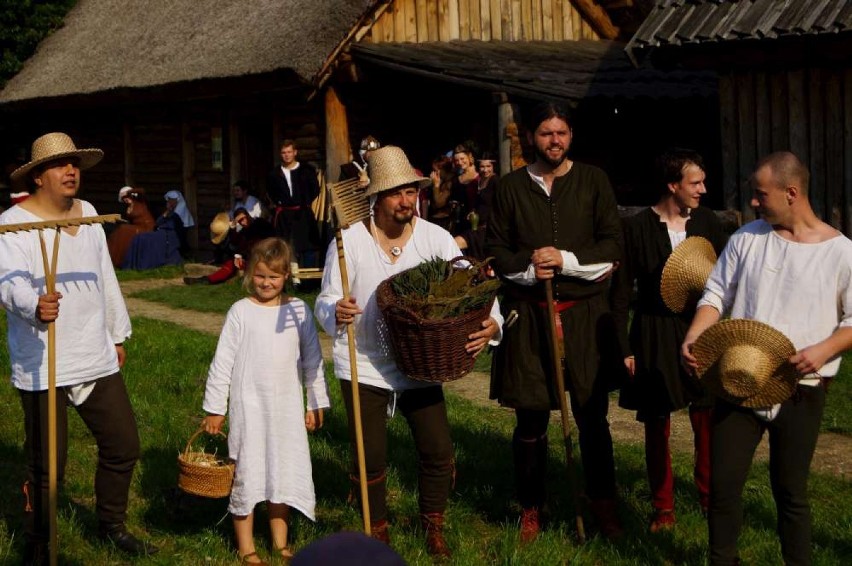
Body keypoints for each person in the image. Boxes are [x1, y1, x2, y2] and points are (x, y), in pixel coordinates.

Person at [314, 145, 502, 558]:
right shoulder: (349, 242)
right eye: (397, 193)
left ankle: (433, 527)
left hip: (421, 361)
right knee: (371, 456)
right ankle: (376, 531)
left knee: (438, 450)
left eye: (411, 192)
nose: (407, 201)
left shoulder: (434, 238)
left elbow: (473, 286)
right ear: (376, 198)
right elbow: (325, 300)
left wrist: (494, 323)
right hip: (364, 360)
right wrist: (336, 310)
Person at [681, 151, 852, 565]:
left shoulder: (841, 252)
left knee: (790, 492)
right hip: (736, 379)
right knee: (723, 486)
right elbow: (716, 293)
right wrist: (695, 333)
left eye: (761, 194)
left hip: (800, 387)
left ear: (791, 193)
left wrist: (824, 350)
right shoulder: (747, 238)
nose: (754, 202)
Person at [0, 132, 158, 563]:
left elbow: (102, 275)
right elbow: (8, 281)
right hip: (44, 358)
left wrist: (116, 332)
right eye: (59, 165)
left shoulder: (88, 213)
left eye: (74, 163)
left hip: (93, 352)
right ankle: (39, 542)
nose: (71, 170)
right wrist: (34, 304)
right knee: (47, 467)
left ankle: (111, 526)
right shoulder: (13, 225)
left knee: (123, 445)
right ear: (37, 177)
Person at [486, 101, 624, 541]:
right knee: (530, 420)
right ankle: (531, 506)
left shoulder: (593, 181)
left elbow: (611, 247)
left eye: (561, 132)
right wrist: (529, 268)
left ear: (571, 136)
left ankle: (603, 504)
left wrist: (565, 260)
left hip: (584, 315)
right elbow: (496, 249)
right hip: (530, 316)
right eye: (546, 133)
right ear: (531, 137)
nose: (555, 141)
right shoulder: (510, 188)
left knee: (592, 417)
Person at [612, 148, 727, 532]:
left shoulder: (708, 222)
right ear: (672, 185)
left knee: (706, 414)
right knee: (658, 418)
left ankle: (711, 499)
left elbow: (727, 280)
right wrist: (624, 347)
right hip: (653, 329)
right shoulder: (637, 227)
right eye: (695, 183)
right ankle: (663, 507)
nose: (703, 189)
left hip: (701, 324)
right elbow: (620, 291)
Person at [202, 237, 330, 564]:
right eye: (260, 276)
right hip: (249, 409)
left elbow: (312, 360)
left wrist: (315, 402)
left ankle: (280, 542)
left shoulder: (298, 311)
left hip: (286, 408)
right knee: (247, 471)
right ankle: (246, 547)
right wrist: (215, 408)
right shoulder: (240, 312)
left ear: (287, 275)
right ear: (250, 274)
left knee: (282, 470)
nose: (266, 283)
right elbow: (222, 362)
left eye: (273, 277)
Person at [184, 207, 275, 285]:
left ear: (247, 215)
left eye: (243, 218)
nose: (243, 222)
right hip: (249, 257)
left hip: (264, 255)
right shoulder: (243, 231)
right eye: (240, 221)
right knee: (230, 265)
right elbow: (237, 243)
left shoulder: (260, 223)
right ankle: (204, 280)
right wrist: (234, 225)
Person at [266, 139, 321, 268]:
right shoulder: (274, 174)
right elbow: (271, 192)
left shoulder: (306, 171)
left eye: (289, 152)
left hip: (303, 212)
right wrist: (281, 203)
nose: (286, 155)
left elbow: (315, 189)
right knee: (285, 246)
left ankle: (308, 282)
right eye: (284, 152)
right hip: (284, 214)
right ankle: (291, 278)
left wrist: (304, 202)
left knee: (307, 246)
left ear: (295, 152)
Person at [455, 151, 499, 260]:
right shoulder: (480, 181)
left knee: (455, 243)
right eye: (482, 166)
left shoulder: (496, 181)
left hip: (487, 228)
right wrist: (473, 211)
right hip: (476, 226)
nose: (485, 170)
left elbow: (500, 205)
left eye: (488, 166)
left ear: (493, 166)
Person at [107, 186, 155, 267]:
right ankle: (113, 257)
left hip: (146, 227)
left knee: (123, 229)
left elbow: (142, 190)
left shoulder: (139, 201)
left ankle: (118, 260)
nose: (125, 199)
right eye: (123, 198)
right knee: (119, 232)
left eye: (126, 197)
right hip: (136, 228)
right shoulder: (128, 208)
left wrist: (128, 192)